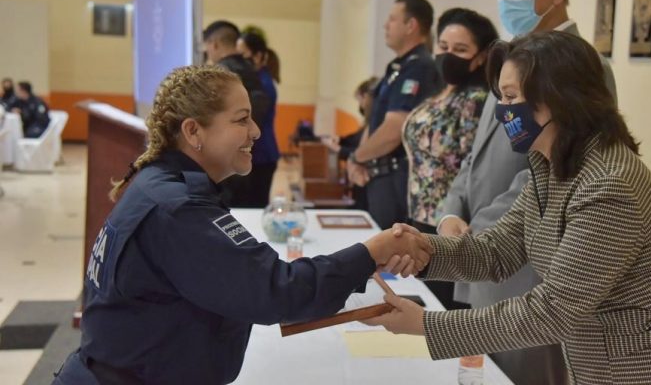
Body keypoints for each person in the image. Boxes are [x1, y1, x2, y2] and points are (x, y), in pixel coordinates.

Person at [369, 32, 651, 385]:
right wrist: (421, 251)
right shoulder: (552, 168)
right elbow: (496, 252)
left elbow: (553, 311)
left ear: (559, 98)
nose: (502, 112)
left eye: (511, 97)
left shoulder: (608, 186)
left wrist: (427, 324)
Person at [52, 65, 431, 385]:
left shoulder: (162, 186)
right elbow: (276, 291)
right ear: (193, 132)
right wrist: (370, 253)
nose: (256, 132)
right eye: (241, 119)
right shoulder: (178, 209)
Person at [436, 0, 618, 384]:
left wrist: (483, 227)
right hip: (481, 251)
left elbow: (561, 171)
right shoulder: (511, 58)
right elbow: (476, 156)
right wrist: (451, 214)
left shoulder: (582, 66)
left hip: (526, 266)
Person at [401, 8, 496, 309]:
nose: (448, 55)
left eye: (460, 49)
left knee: (439, 310)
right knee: (421, 303)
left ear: (480, 56)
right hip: (420, 215)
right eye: (443, 46)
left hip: (448, 224)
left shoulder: (475, 100)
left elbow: (472, 166)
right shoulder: (441, 93)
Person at [347, 0, 441, 229]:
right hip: (378, 174)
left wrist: (356, 158)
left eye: (392, 19)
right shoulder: (397, 67)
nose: (385, 25)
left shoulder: (419, 68)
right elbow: (374, 120)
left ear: (411, 26)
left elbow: (394, 129)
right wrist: (359, 158)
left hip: (397, 178)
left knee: (390, 245)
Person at [203, 20, 269, 207]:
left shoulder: (221, 75)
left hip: (226, 162)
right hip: (250, 156)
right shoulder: (252, 70)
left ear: (214, 45)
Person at [321, 77, 379, 211]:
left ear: (367, 97)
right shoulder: (369, 121)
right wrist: (340, 140)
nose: (361, 106)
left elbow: (364, 150)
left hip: (368, 181)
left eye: (360, 100)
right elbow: (356, 138)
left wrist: (339, 149)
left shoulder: (377, 122)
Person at [236, 31, 280, 207]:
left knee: (254, 207)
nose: (239, 60)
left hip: (262, 155)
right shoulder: (257, 80)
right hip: (259, 154)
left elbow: (254, 120)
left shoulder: (261, 84)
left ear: (258, 55)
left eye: (242, 55)